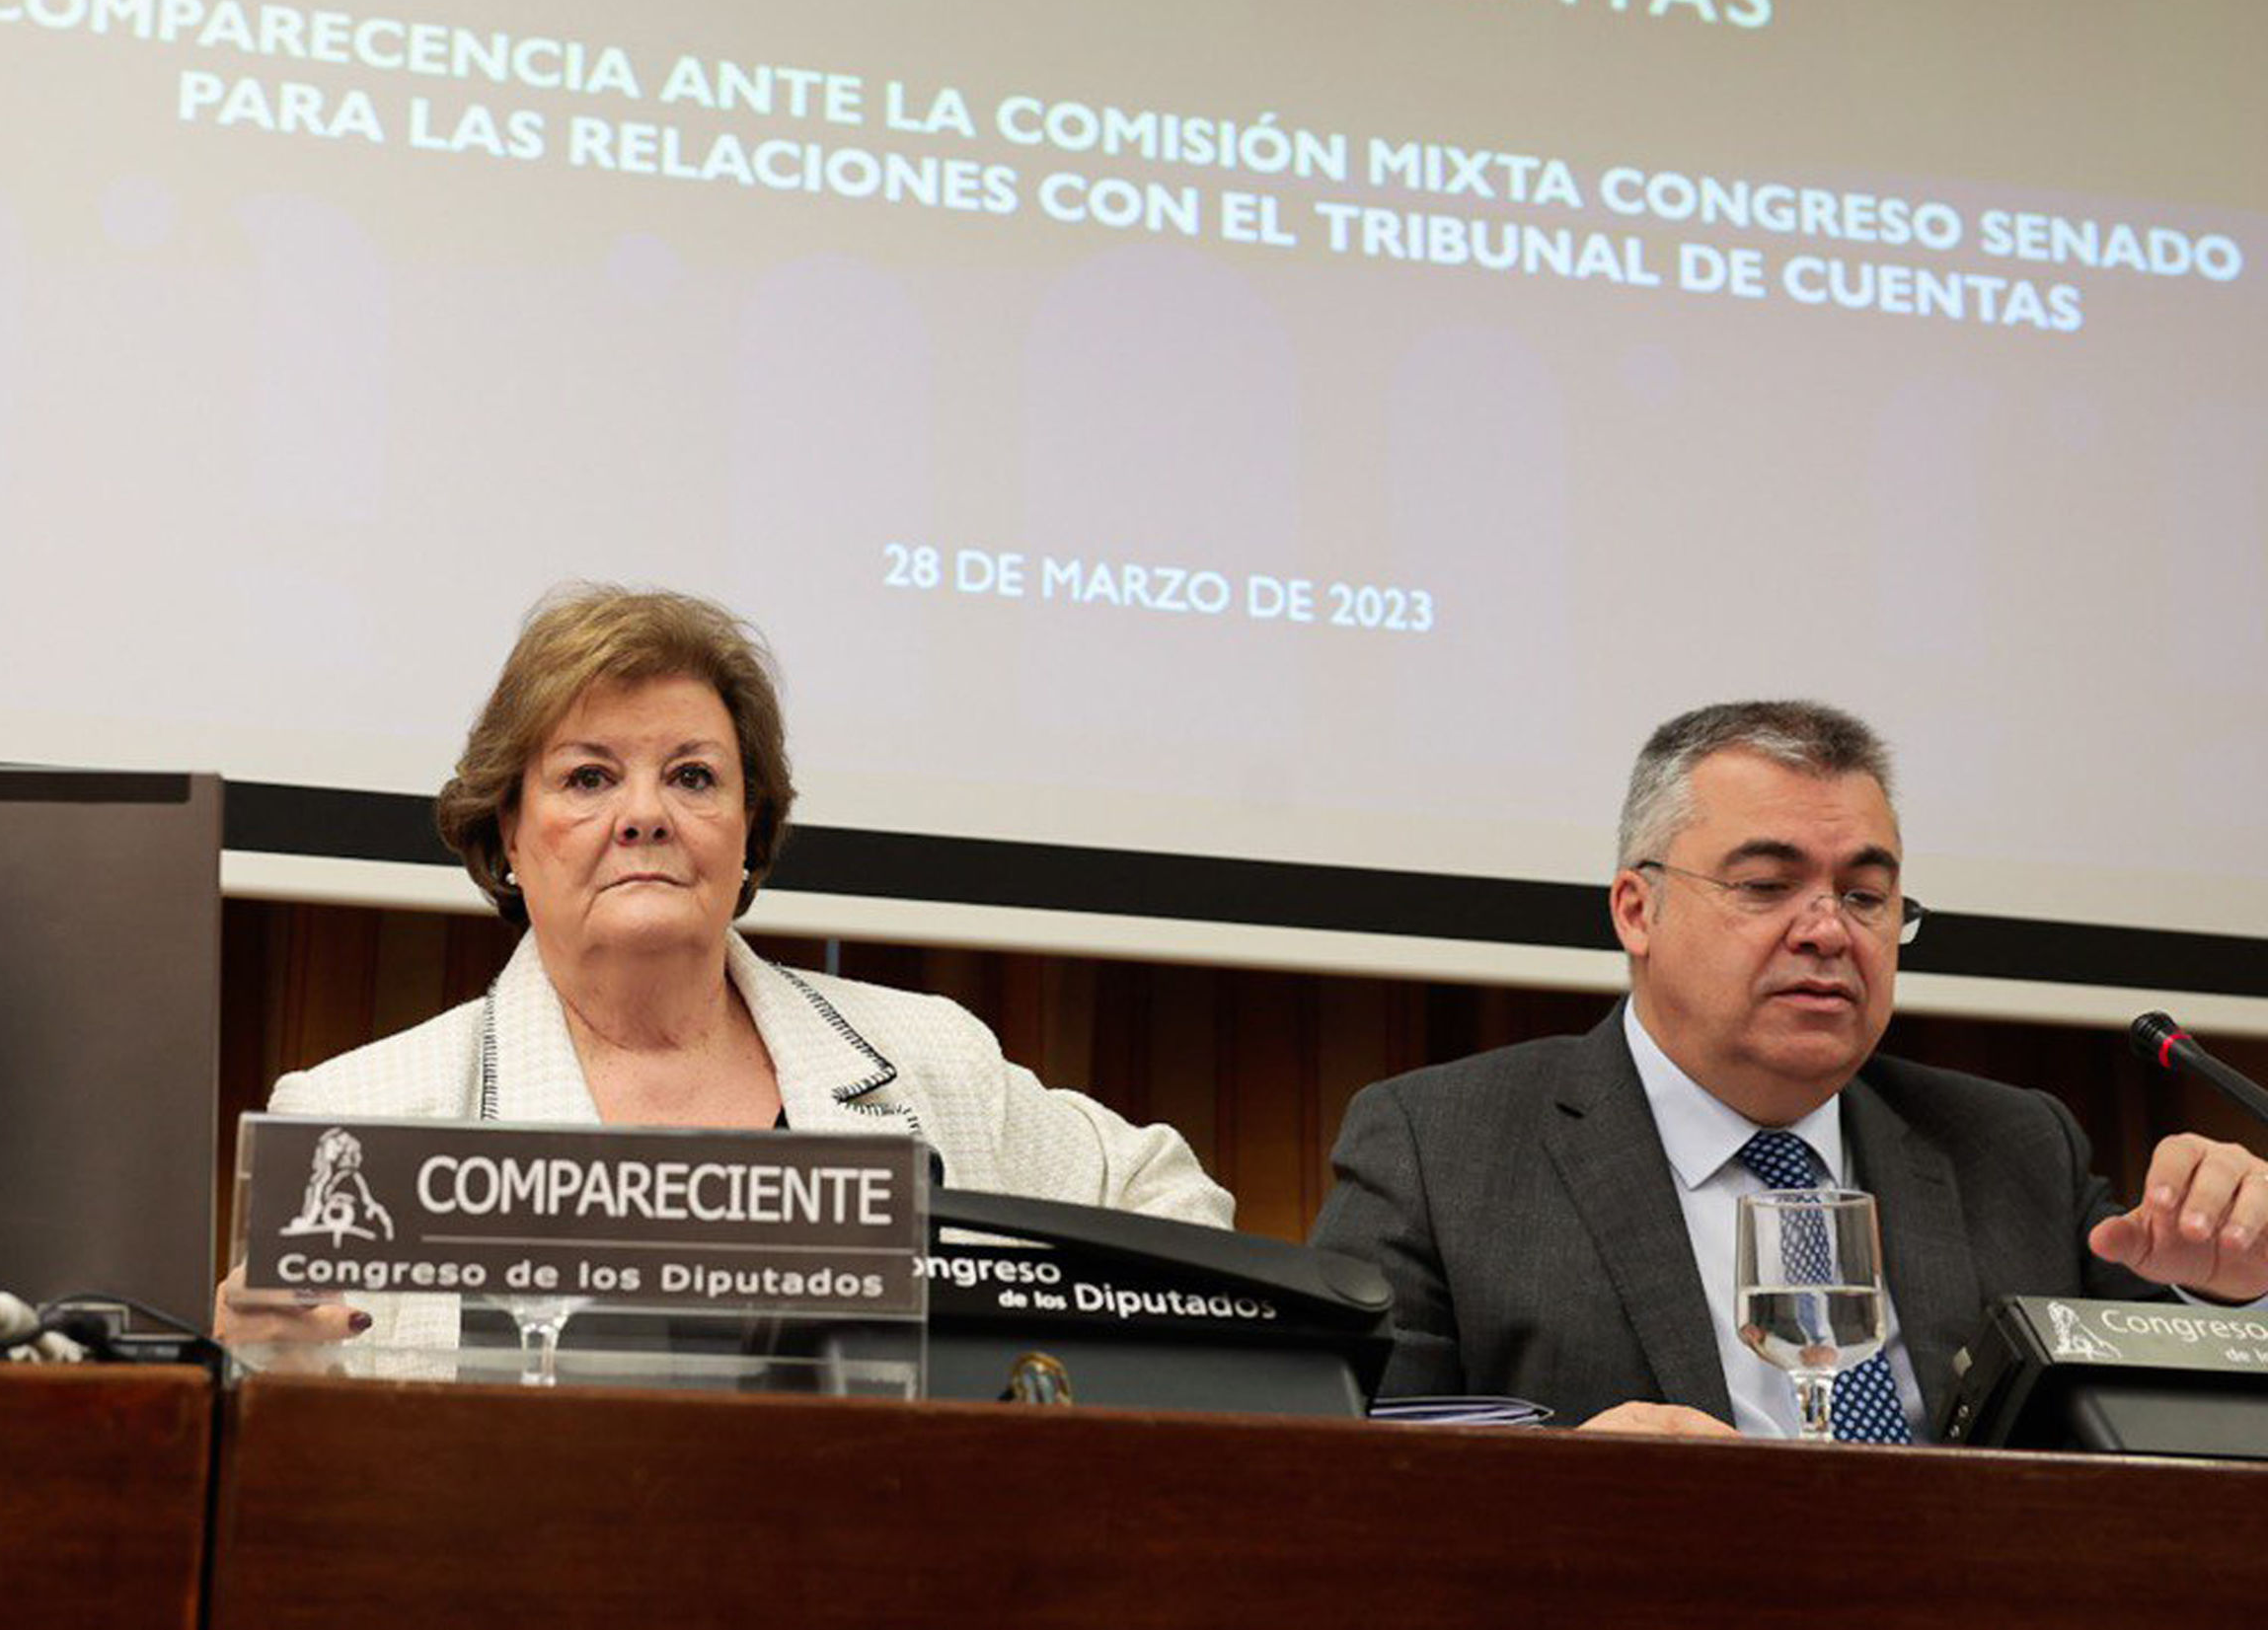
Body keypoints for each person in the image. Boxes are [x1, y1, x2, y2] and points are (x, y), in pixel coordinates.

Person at [224, 584, 1230, 1344]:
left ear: (749, 831)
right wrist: (262, 1361)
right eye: (589, 777)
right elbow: (292, 1431)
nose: (646, 814)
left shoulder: (934, 1062)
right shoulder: (352, 1117)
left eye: (694, 776)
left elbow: (1170, 1203)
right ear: (510, 835)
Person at [1311, 701, 2268, 1438]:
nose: (1827, 931)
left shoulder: (2014, 1146)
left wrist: (2231, 1288)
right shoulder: (1440, 1148)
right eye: (1766, 886)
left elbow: (2183, 1429)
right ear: (1637, 910)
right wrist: (1568, 1482)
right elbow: (1344, 1464)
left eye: (1865, 895)